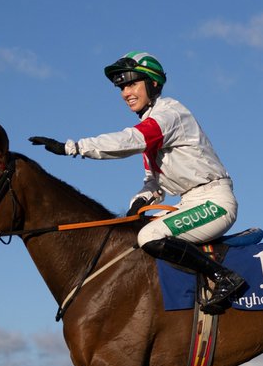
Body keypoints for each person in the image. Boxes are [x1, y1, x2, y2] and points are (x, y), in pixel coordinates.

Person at [29, 51, 245, 312]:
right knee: (135, 237)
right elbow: (154, 184)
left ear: (153, 83)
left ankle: (225, 277)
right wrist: (140, 201)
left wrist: (72, 147)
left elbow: (130, 140)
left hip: (215, 203)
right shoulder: (151, 128)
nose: (125, 93)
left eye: (132, 84)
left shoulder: (170, 115)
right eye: (121, 87)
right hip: (188, 202)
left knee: (150, 235)